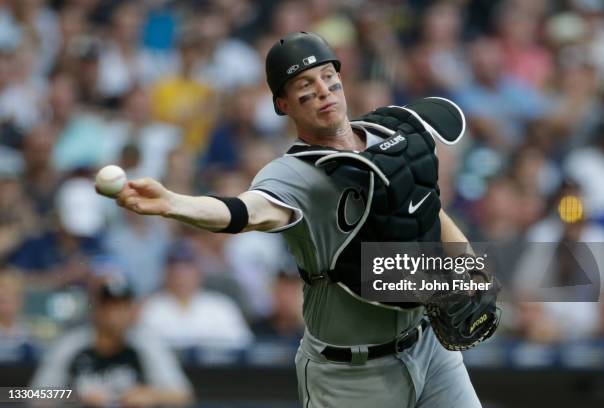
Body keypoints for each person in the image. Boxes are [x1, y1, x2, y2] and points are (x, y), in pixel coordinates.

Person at [104, 32, 492, 407]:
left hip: (429, 348)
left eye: (327, 76)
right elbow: (243, 212)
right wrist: (173, 202)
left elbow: (431, 211)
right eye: (304, 83)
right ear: (283, 104)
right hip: (352, 375)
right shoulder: (292, 174)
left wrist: (471, 270)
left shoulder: (392, 134)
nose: (322, 89)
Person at [30, 276, 193, 407]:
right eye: (108, 306)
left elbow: (184, 396)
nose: (114, 314)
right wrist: (75, 396)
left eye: (121, 307)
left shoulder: (145, 344)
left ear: (131, 310)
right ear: (96, 309)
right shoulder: (71, 344)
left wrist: (151, 395)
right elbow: (31, 395)